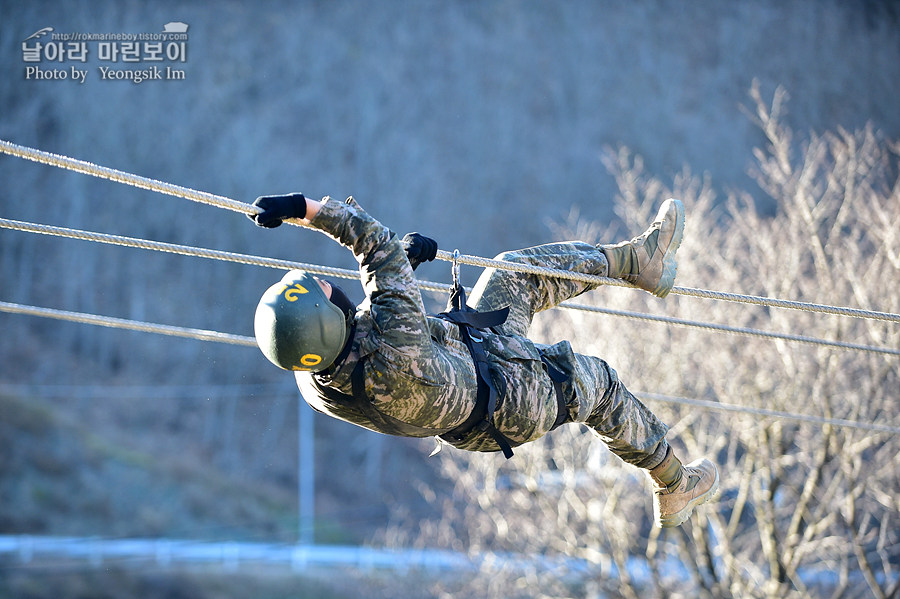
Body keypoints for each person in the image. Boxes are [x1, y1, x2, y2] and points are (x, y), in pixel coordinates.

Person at [248, 193, 718, 528]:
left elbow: (371, 328)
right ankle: (674, 481)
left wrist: (405, 270)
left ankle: (637, 261)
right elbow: (373, 245)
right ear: (326, 319)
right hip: (507, 401)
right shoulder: (394, 348)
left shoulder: (315, 374)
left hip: (471, 358)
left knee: (513, 272)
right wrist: (300, 209)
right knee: (594, 383)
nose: (329, 286)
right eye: (323, 291)